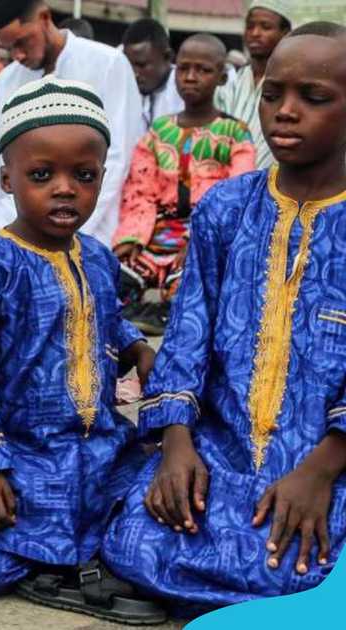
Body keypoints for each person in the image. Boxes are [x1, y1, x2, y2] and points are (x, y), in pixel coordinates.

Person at [102, 22, 346, 610]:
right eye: (272, 94)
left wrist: (320, 472)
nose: (285, 113)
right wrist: (177, 446)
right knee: (135, 529)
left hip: (331, 459)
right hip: (223, 445)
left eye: (312, 98)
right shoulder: (226, 208)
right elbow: (187, 335)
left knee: (309, 550)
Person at [0, 77, 164, 623]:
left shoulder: (100, 258)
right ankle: (60, 563)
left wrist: (136, 348)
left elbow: (104, 319)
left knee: (161, 504)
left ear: (102, 180)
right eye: (42, 176)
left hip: (101, 448)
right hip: (22, 455)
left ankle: (82, 558)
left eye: (82, 177)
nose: (65, 190)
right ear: (7, 178)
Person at [112, 34, 256, 334]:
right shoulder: (160, 129)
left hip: (202, 240)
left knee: (195, 285)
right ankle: (151, 312)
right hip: (155, 237)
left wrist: (201, 239)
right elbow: (139, 188)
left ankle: (165, 311)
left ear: (221, 77)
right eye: (184, 68)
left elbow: (236, 194)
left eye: (203, 70)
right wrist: (131, 239)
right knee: (113, 280)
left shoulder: (235, 133)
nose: (191, 77)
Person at [0, 0, 141, 245]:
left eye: (21, 42)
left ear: (45, 18)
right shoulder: (7, 80)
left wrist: (71, 229)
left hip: (93, 216)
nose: (17, 55)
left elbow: (117, 159)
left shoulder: (107, 64)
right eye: (8, 49)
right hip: (18, 213)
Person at [215, 0, 293, 169]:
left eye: (265, 27)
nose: (255, 33)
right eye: (250, 26)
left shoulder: (292, 84)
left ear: (285, 33)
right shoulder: (231, 83)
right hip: (228, 183)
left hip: (275, 184)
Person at [122, 18, 185, 144]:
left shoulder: (184, 92)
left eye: (141, 65)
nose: (134, 74)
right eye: (128, 65)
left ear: (167, 57)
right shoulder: (123, 89)